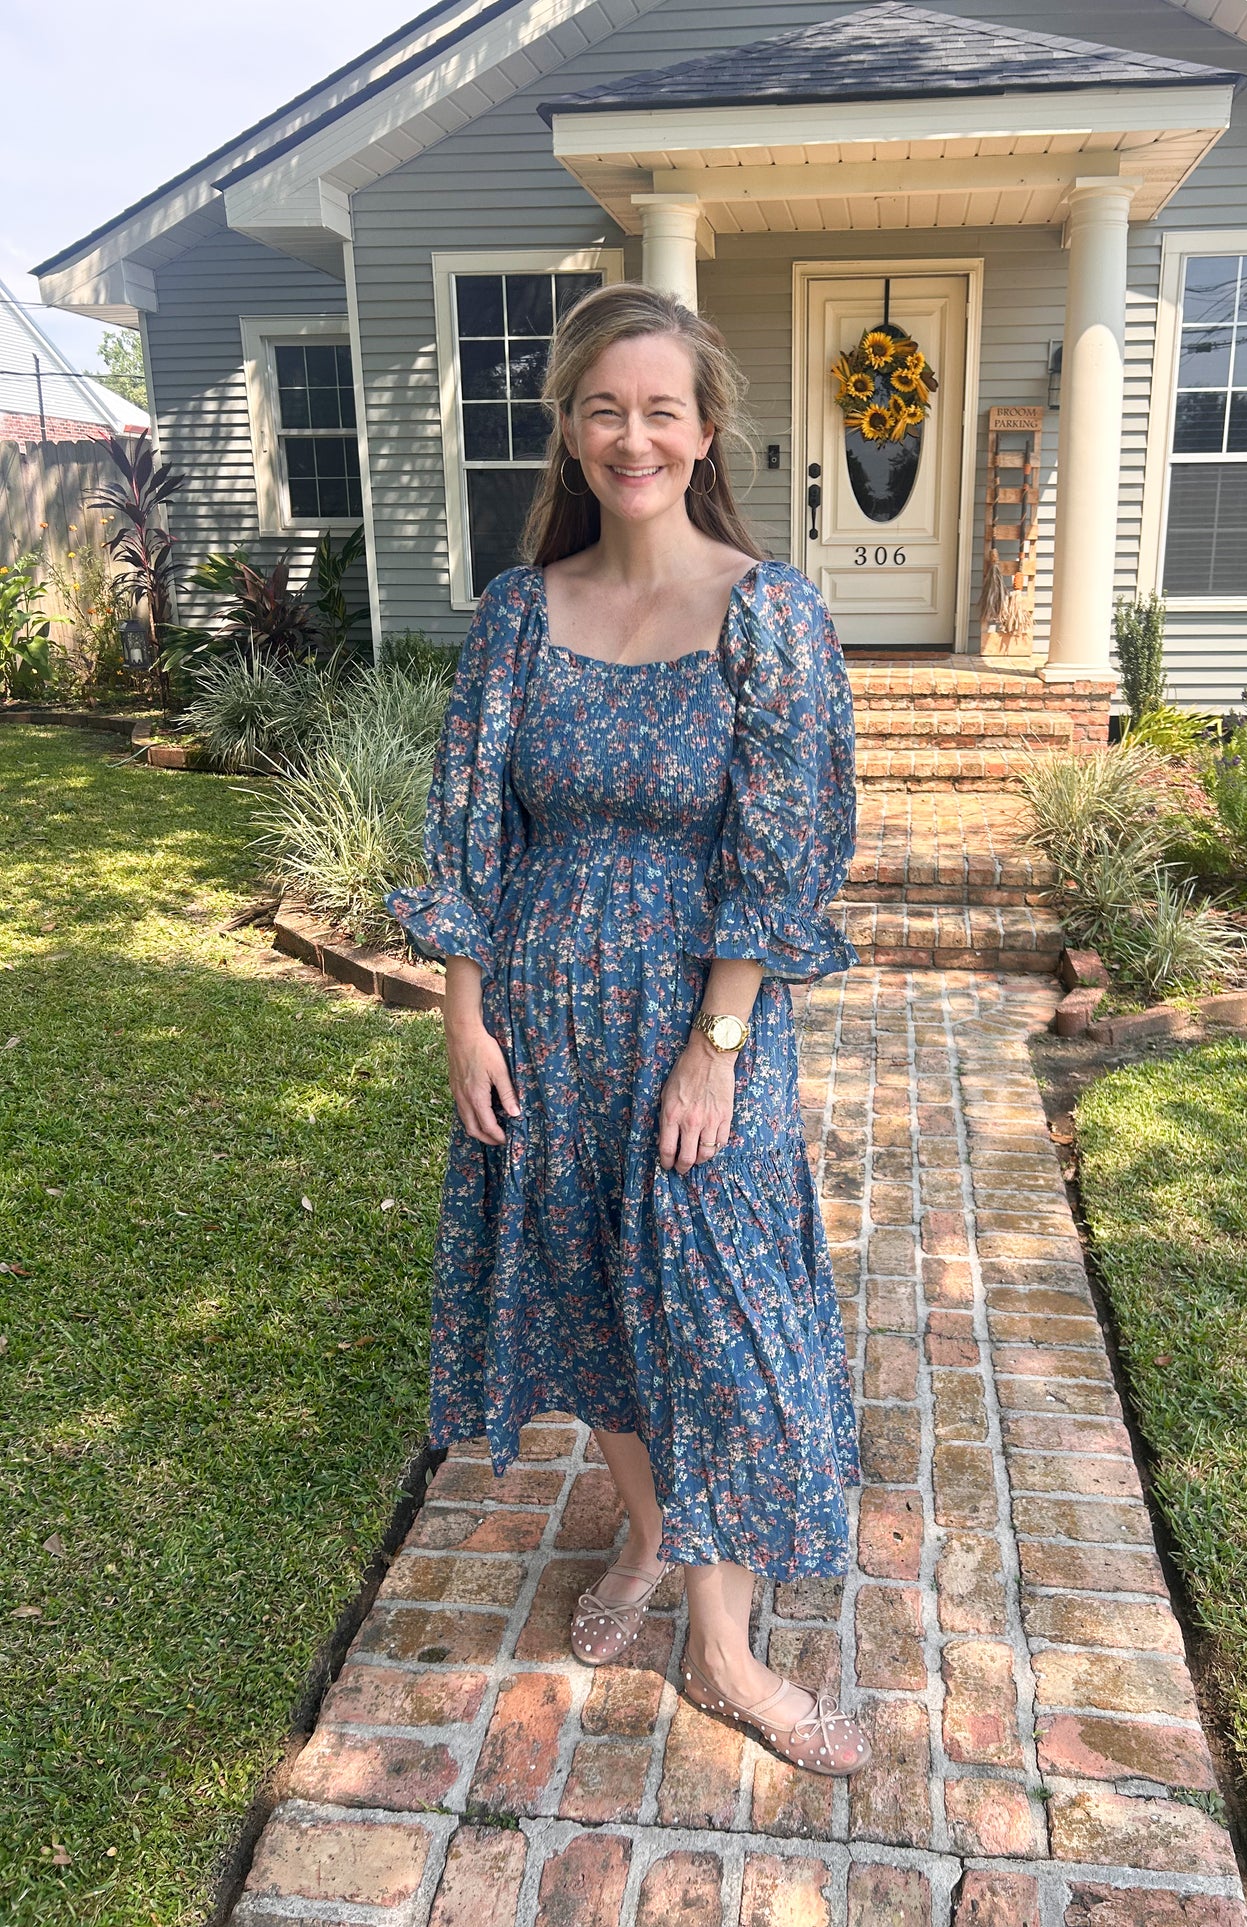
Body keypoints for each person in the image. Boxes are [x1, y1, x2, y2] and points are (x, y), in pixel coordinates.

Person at [388, 281, 868, 1776]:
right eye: (606, 408)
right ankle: (650, 1539)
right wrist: (463, 1018)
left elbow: (783, 850)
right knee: (588, 1302)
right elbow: (466, 829)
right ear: (572, 432)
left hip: (694, 1018)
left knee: (725, 1331)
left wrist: (715, 1047)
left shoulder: (767, 614)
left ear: (704, 426)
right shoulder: (521, 613)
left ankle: (725, 1657)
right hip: (538, 1016)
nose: (633, 433)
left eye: (660, 407)